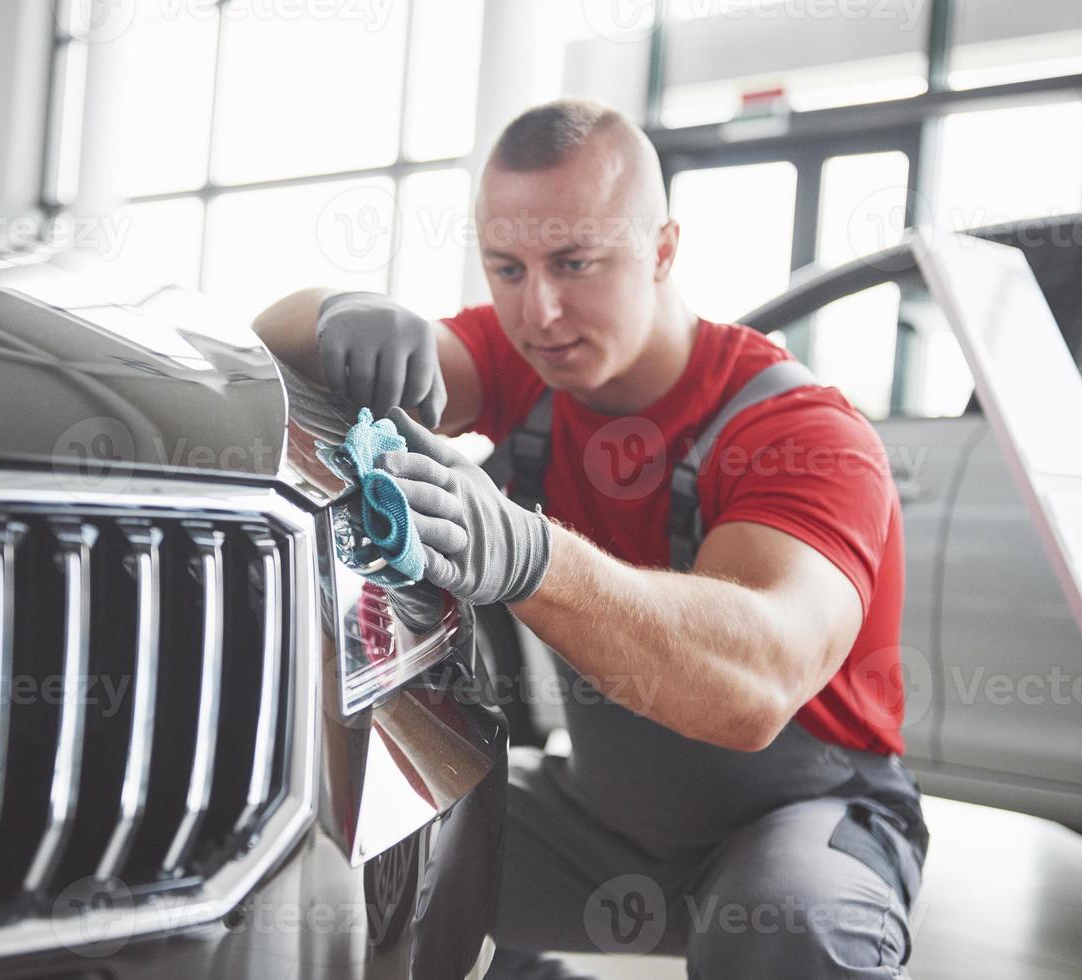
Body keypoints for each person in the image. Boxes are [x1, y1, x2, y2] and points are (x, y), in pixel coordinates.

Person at [253, 97, 926, 979]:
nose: (539, 312)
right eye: (506, 267)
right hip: (603, 819)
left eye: (575, 262)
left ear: (662, 250)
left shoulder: (799, 431)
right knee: (358, 856)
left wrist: (531, 557)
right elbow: (277, 353)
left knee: (793, 928)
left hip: (798, 818)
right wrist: (333, 311)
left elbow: (755, 687)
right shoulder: (522, 360)